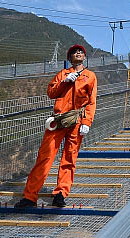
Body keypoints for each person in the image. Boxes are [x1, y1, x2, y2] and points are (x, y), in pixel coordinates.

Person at [14, 44, 97, 209]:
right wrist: (64, 82)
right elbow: (51, 93)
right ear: (69, 58)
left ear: (84, 57)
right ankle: (30, 197)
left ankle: (60, 194)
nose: (78, 53)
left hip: (77, 120)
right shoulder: (62, 74)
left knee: (69, 158)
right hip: (59, 120)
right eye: (74, 52)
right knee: (45, 157)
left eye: (81, 51)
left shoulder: (91, 76)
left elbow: (91, 102)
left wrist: (87, 122)